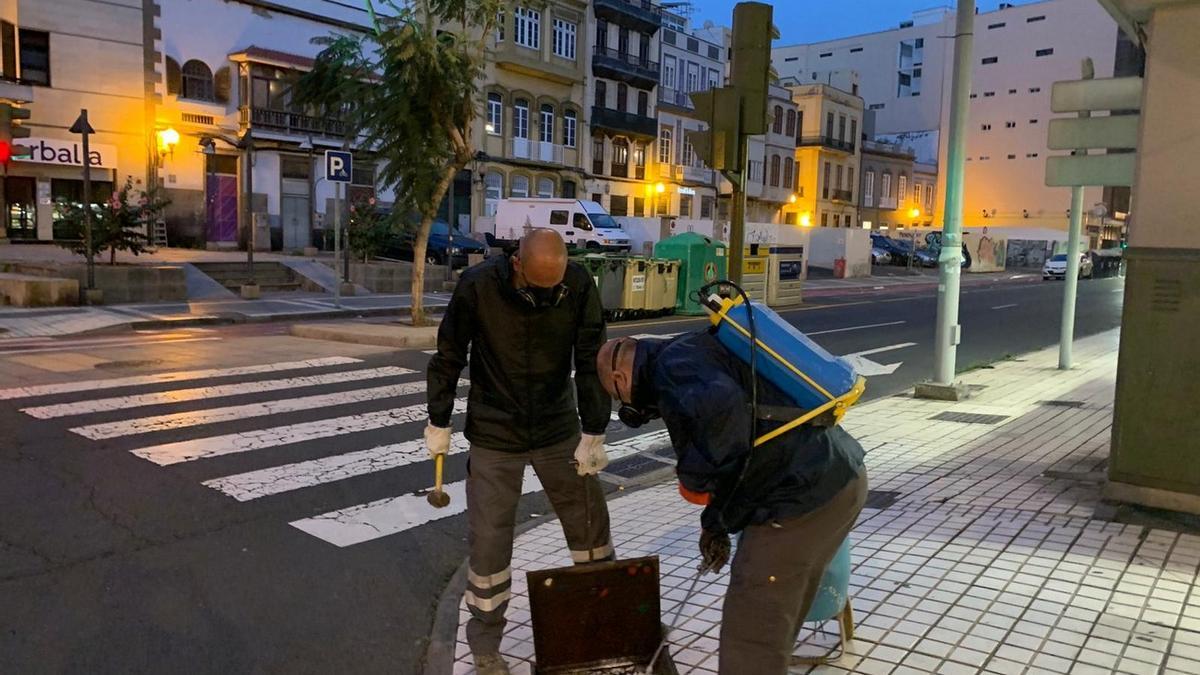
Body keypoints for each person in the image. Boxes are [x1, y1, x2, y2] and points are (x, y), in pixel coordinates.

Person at [597, 331, 868, 675]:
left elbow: (724, 430)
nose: (629, 408)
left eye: (618, 397)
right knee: (775, 623)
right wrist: (718, 520)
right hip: (838, 479)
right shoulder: (692, 347)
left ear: (620, 378)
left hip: (801, 499)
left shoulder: (674, 366)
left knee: (751, 632)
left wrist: (709, 506)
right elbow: (742, 442)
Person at [425, 229, 613, 675]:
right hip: (495, 433)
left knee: (591, 526)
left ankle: (608, 622)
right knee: (489, 546)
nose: (550, 296)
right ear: (517, 264)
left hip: (557, 428)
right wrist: (438, 419)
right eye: (539, 285)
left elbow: (591, 359)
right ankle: (486, 646)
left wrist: (594, 430)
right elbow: (449, 354)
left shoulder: (579, 285)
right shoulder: (479, 286)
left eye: (557, 286)